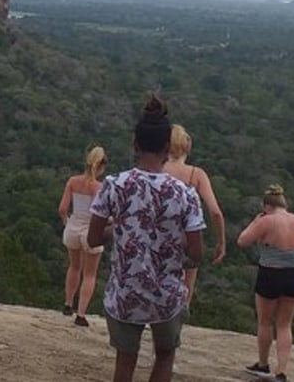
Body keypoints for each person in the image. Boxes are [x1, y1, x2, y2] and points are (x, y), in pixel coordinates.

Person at [88, 95, 205, 382]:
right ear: (168, 147)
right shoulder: (185, 194)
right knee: (165, 355)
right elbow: (197, 253)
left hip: (126, 291)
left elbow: (93, 239)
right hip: (166, 295)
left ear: (135, 145)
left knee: (125, 362)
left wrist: (119, 230)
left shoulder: (114, 186)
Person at [238, 185, 294, 382]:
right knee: (284, 324)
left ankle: (263, 365)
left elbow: (242, 241)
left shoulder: (267, 220)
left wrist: (256, 222)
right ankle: (281, 372)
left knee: (265, 322)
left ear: (266, 206)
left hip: (271, 273)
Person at [163, 124, 227, 307]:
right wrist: (221, 242)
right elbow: (215, 211)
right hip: (186, 237)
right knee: (186, 288)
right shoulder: (196, 174)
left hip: (155, 235)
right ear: (187, 147)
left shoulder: (155, 170)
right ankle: (178, 322)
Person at [57, 146, 107, 326]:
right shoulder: (98, 187)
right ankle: (81, 313)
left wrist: (67, 222)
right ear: (102, 165)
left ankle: (68, 303)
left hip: (73, 226)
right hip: (89, 230)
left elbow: (62, 208)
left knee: (74, 266)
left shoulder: (72, 181)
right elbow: (97, 213)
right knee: (90, 274)